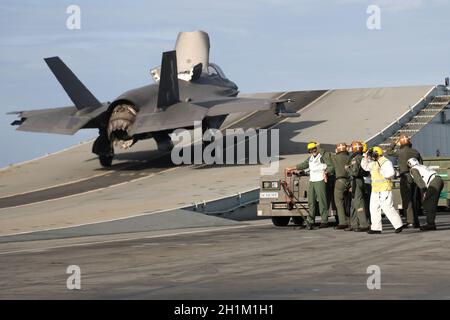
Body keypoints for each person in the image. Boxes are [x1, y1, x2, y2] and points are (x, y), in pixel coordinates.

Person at [361, 146, 404, 234]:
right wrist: (365, 158)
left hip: (384, 189)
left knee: (387, 208)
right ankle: (376, 228)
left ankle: (398, 225)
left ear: (376, 153)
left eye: (371, 154)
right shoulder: (374, 163)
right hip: (376, 190)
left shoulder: (385, 162)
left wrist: (382, 172)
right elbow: (365, 167)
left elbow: (391, 173)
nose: (370, 156)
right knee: (373, 208)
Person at [293, 142, 334, 229]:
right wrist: (293, 168)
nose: (313, 151)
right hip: (312, 180)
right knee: (311, 201)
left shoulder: (322, 157)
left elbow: (331, 166)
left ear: (317, 148)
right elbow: (304, 165)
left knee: (322, 201)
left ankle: (324, 220)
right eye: (311, 150)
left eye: (314, 149)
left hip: (320, 180)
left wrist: (327, 172)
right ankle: (311, 220)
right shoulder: (310, 158)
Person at [386, 134, 422, 228]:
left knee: (407, 200)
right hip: (415, 177)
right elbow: (421, 164)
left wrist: (394, 143)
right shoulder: (416, 152)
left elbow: (388, 152)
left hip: (405, 177)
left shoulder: (400, 152)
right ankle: (416, 221)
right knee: (414, 199)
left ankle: (410, 221)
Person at [407, 158, 444, 231]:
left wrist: (423, 191)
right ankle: (431, 224)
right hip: (439, 180)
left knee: (427, 202)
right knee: (432, 203)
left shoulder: (413, 169)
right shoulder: (422, 166)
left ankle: (430, 224)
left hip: (433, 182)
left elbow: (419, 180)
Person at [345, 141, 370, 232]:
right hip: (356, 181)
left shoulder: (355, 158)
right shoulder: (359, 157)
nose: (350, 149)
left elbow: (355, 173)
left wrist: (348, 169)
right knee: (353, 204)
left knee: (359, 203)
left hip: (357, 181)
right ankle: (354, 224)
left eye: (352, 147)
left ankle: (364, 224)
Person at [325, 143, 351, 230]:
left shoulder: (335, 157)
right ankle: (352, 220)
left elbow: (326, 155)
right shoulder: (350, 157)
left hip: (339, 181)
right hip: (350, 181)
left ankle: (343, 222)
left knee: (339, 202)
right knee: (349, 202)